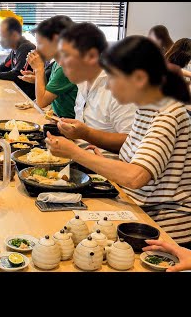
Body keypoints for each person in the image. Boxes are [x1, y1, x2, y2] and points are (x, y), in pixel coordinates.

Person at [45, 36, 191, 246]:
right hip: (135, 206)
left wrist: (75, 153)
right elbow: (135, 163)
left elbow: (135, 177)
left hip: (161, 227)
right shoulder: (145, 109)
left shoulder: (167, 114)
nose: (109, 86)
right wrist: (102, 159)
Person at [56, 23, 137, 154]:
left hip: (106, 168)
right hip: (82, 157)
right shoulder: (81, 82)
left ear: (92, 56)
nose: (60, 63)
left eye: (66, 55)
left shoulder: (119, 88)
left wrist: (87, 134)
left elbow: (132, 141)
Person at [22, 16, 77, 118]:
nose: (37, 48)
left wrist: (39, 69)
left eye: (40, 43)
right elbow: (49, 91)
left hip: (67, 123)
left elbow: (42, 102)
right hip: (56, 116)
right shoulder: (58, 61)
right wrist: (38, 76)